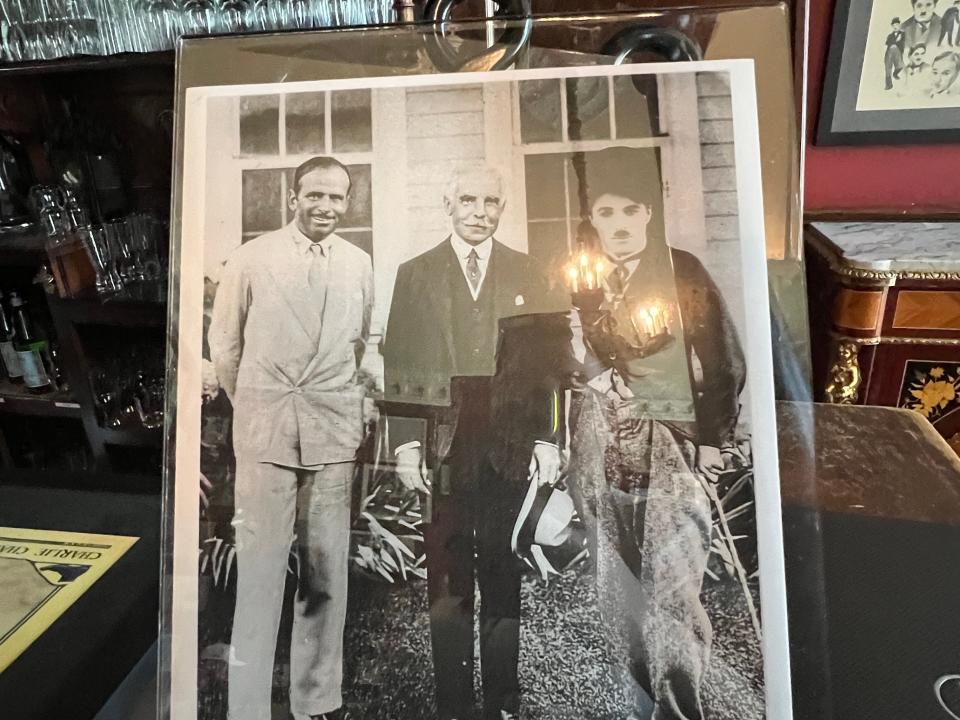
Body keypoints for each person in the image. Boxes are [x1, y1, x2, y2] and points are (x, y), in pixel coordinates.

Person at [565, 146, 745, 720]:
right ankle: (636, 706)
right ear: (592, 219)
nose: (617, 226)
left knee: (672, 585)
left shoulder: (681, 269)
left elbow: (723, 361)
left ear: (647, 213)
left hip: (673, 441)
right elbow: (568, 358)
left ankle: (677, 709)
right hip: (602, 440)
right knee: (616, 587)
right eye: (604, 214)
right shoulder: (583, 281)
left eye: (628, 212)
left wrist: (713, 441)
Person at [381, 165, 564, 720]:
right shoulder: (415, 273)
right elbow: (402, 360)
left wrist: (546, 437)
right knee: (448, 574)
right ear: (448, 204)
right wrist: (407, 443)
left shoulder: (528, 271)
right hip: (444, 441)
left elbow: (547, 366)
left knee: (503, 572)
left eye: (490, 201)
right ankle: (454, 706)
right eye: (468, 199)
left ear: (502, 207)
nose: (480, 211)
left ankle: (502, 705)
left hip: (508, 438)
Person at [209, 156, 373, 720]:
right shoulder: (253, 259)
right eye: (314, 196)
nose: (325, 207)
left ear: (347, 203)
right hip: (266, 438)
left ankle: (317, 702)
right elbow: (225, 349)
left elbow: (360, 346)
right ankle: (247, 708)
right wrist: (259, 407)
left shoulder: (358, 263)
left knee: (327, 576)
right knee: (258, 580)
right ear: (293, 198)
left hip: (332, 438)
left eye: (336, 198)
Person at [885, 17, 906, 89]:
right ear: (892, 26)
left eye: (897, 25)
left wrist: (897, 42)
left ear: (899, 25)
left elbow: (903, 44)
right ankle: (889, 85)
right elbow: (888, 44)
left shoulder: (903, 34)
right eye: (893, 25)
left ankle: (895, 73)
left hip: (898, 53)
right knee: (888, 67)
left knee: (900, 65)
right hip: (889, 54)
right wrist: (896, 40)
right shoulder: (890, 36)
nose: (895, 27)